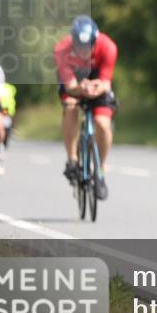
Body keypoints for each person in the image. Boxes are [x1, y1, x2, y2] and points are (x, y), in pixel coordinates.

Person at [54, 15, 117, 200]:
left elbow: (106, 82)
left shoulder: (108, 47)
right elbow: (69, 85)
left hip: (98, 84)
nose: (83, 50)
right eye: (79, 46)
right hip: (74, 84)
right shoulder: (61, 50)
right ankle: (72, 159)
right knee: (70, 107)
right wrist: (80, 89)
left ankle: (101, 170)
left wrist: (97, 88)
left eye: (88, 46)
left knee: (103, 124)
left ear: (95, 41)